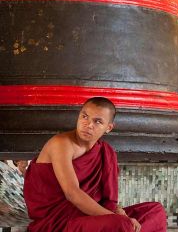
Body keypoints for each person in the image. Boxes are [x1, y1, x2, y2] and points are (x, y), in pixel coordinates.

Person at [23, 97, 167, 232]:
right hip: (59, 222)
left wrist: (116, 210)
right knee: (122, 224)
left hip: (91, 216)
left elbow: (108, 200)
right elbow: (72, 193)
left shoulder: (106, 151)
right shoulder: (61, 144)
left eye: (98, 121)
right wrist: (116, 217)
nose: (88, 125)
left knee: (155, 211)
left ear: (109, 127)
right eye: (84, 117)